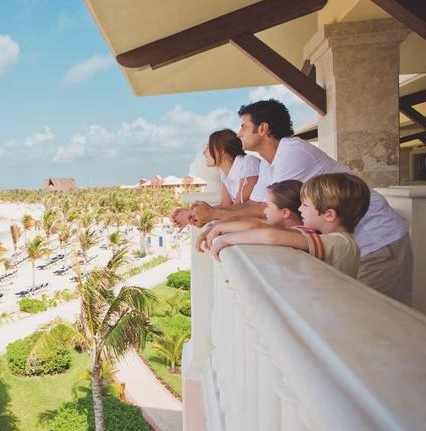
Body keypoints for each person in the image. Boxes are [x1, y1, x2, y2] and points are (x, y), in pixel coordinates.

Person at [172, 99, 413, 302]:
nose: (239, 133)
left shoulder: (292, 152)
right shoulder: (270, 160)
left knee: (369, 323)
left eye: (244, 126)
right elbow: (254, 208)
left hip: (378, 241)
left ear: (263, 128)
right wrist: (213, 219)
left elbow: (268, 213)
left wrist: (215, 218)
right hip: (354, 244)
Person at [208, 173, 370, 278]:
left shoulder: (340, 243)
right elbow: (262, 227)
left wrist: (225, 240)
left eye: (305, 205)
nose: (300, 209)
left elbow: (271, 235)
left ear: (329, 215)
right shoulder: (333, 238)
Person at [195, 179, 306, 253]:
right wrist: (215, 227)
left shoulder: (303, 233)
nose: (264, 210)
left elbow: (255, 226)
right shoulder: (285, 227)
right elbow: (244, 219)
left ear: (285, 213)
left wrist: (221, 233)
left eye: (268, 206)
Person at [203, 129, 260, 206]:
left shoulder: (248, 162)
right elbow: (225, 205)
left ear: (221, 150)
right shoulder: (225, 174)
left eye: (208, 147)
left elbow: (239, 205)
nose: (204, 153)